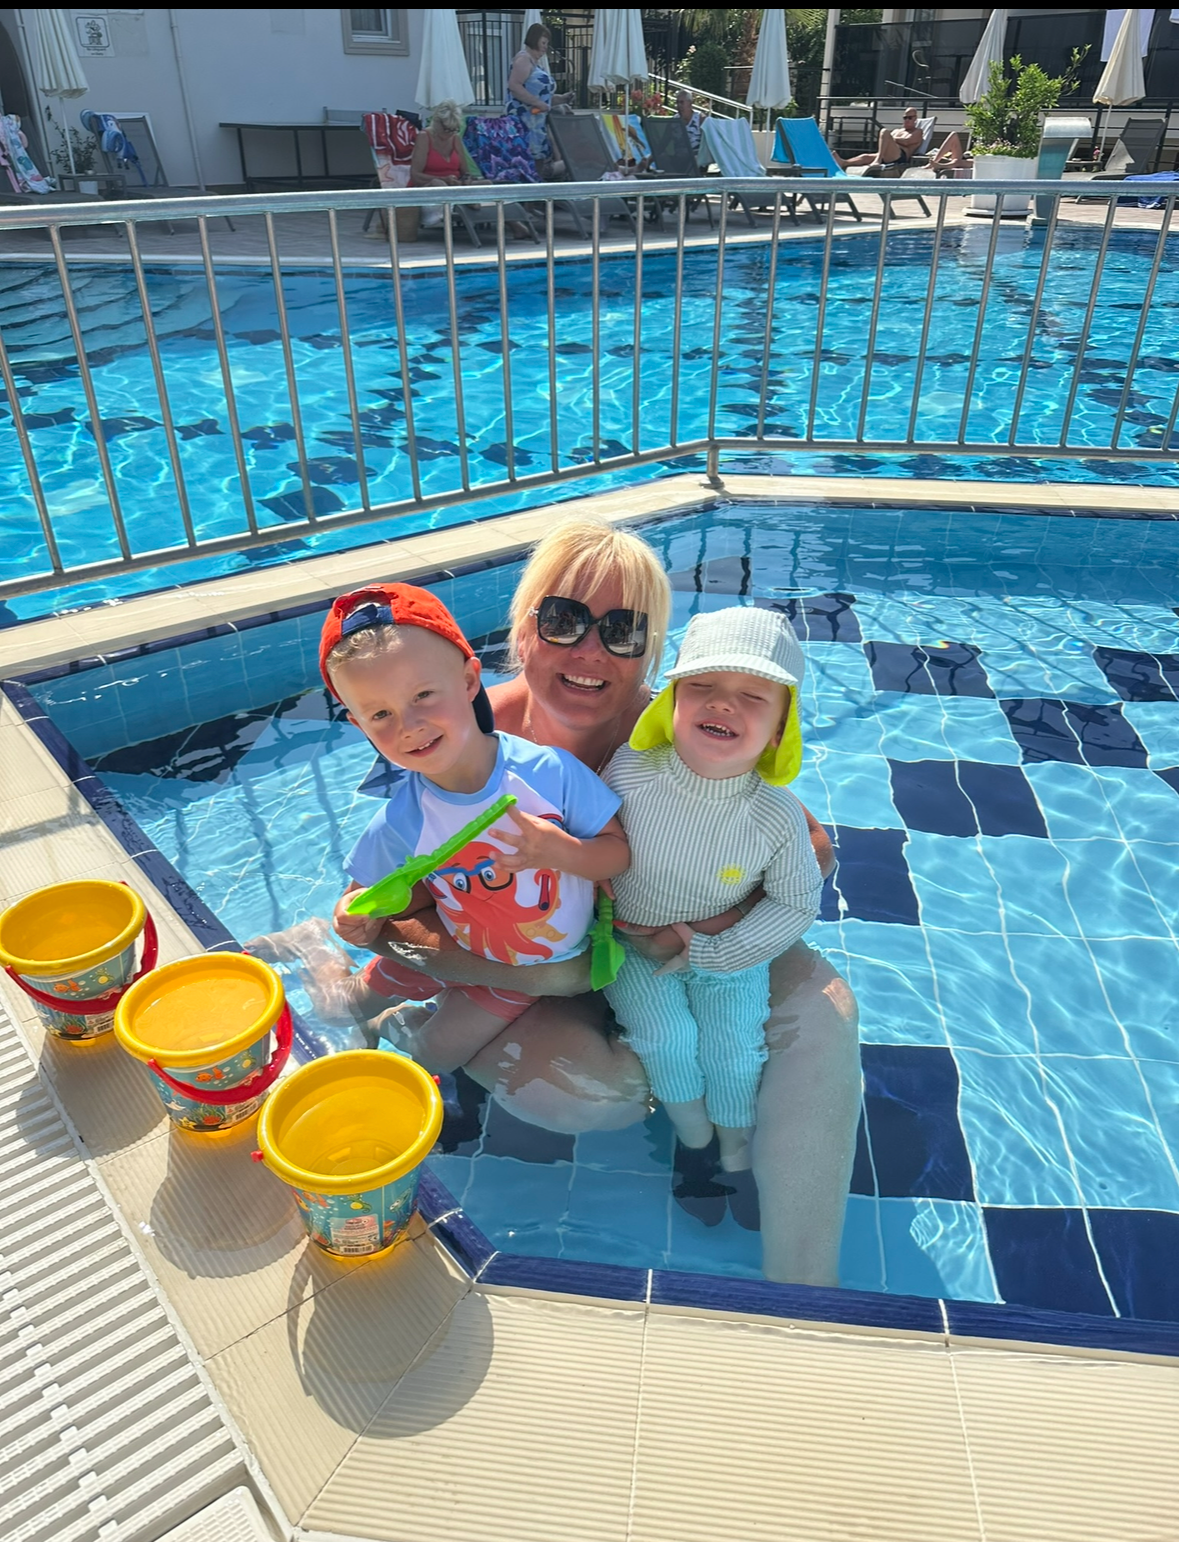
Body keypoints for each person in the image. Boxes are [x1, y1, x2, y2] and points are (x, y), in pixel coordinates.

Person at [255, 513, 861, 1288]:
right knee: (588, 1092)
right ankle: (372, 999)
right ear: (521, 633)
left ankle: (806, 1294)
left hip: (641, 945)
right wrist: (532, 975)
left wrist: (709, 929)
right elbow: (385, 909)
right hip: (508, 964)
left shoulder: (671, 733)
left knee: (823, 1014)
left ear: (650, 653)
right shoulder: (457, 733)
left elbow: (809, 845)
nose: (589, 651)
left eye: (621, 630)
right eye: (564, 620)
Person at [321, 582, 628, 1075]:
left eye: (423, 695)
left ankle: (393, 1025)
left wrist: (562, 852)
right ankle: (315, 952)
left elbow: (618, 853)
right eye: (380, 714)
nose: (409, 725)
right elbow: (364, 896)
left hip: (520, 972)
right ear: (360, 726)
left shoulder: (548, 773)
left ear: (468, 682)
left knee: (434, 1056)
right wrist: (348, 917)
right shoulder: (403, 818)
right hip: (454, 950)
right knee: (339, 1008)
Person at [605, 606, 821, 1231]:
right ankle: (694, 1142)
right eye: (701, 686)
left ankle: (736, 1152)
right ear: (670, 705)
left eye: (753, 696)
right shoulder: (629, 773)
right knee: (665, 1038)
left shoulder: (776, 815)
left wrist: (706, 949)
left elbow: (797, 902)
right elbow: (586, 842)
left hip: (729, 957)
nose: (723, 703)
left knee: (734, 1049)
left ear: (779, 730)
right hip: (634, 951)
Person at [505, 24, 565, 170]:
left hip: (536, 121)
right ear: (534, 40)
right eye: (543, 43)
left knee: (538, 160)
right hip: (524, 119)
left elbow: (542, 96)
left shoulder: (535, 63)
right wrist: (538, 103)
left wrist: (561, 99)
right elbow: (514, 86)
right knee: (526, 161)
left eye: (547, 43)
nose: (545, 47)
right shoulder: (523, 59)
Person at [844, 107, 927, 172]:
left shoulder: (917, 131)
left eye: (910, 118)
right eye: (905, 118)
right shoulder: (897, 130)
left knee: (884, 131)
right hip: (887, 154)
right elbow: (886, 140)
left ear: (915, 119)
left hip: (900, 156)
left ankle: (878, 159)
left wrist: (890, 138)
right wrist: (889, 139)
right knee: (865, 157)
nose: (907, 120)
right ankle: (842, 163)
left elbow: (906, 142)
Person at [675, 89, 704, 156]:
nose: (679, 105)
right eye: (677, 102)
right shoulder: (675, 120)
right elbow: (664, 142)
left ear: (690, 103)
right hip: (678, 157)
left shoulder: (700, 119)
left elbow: (708, 143)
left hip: (696, 158)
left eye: (682, 102)